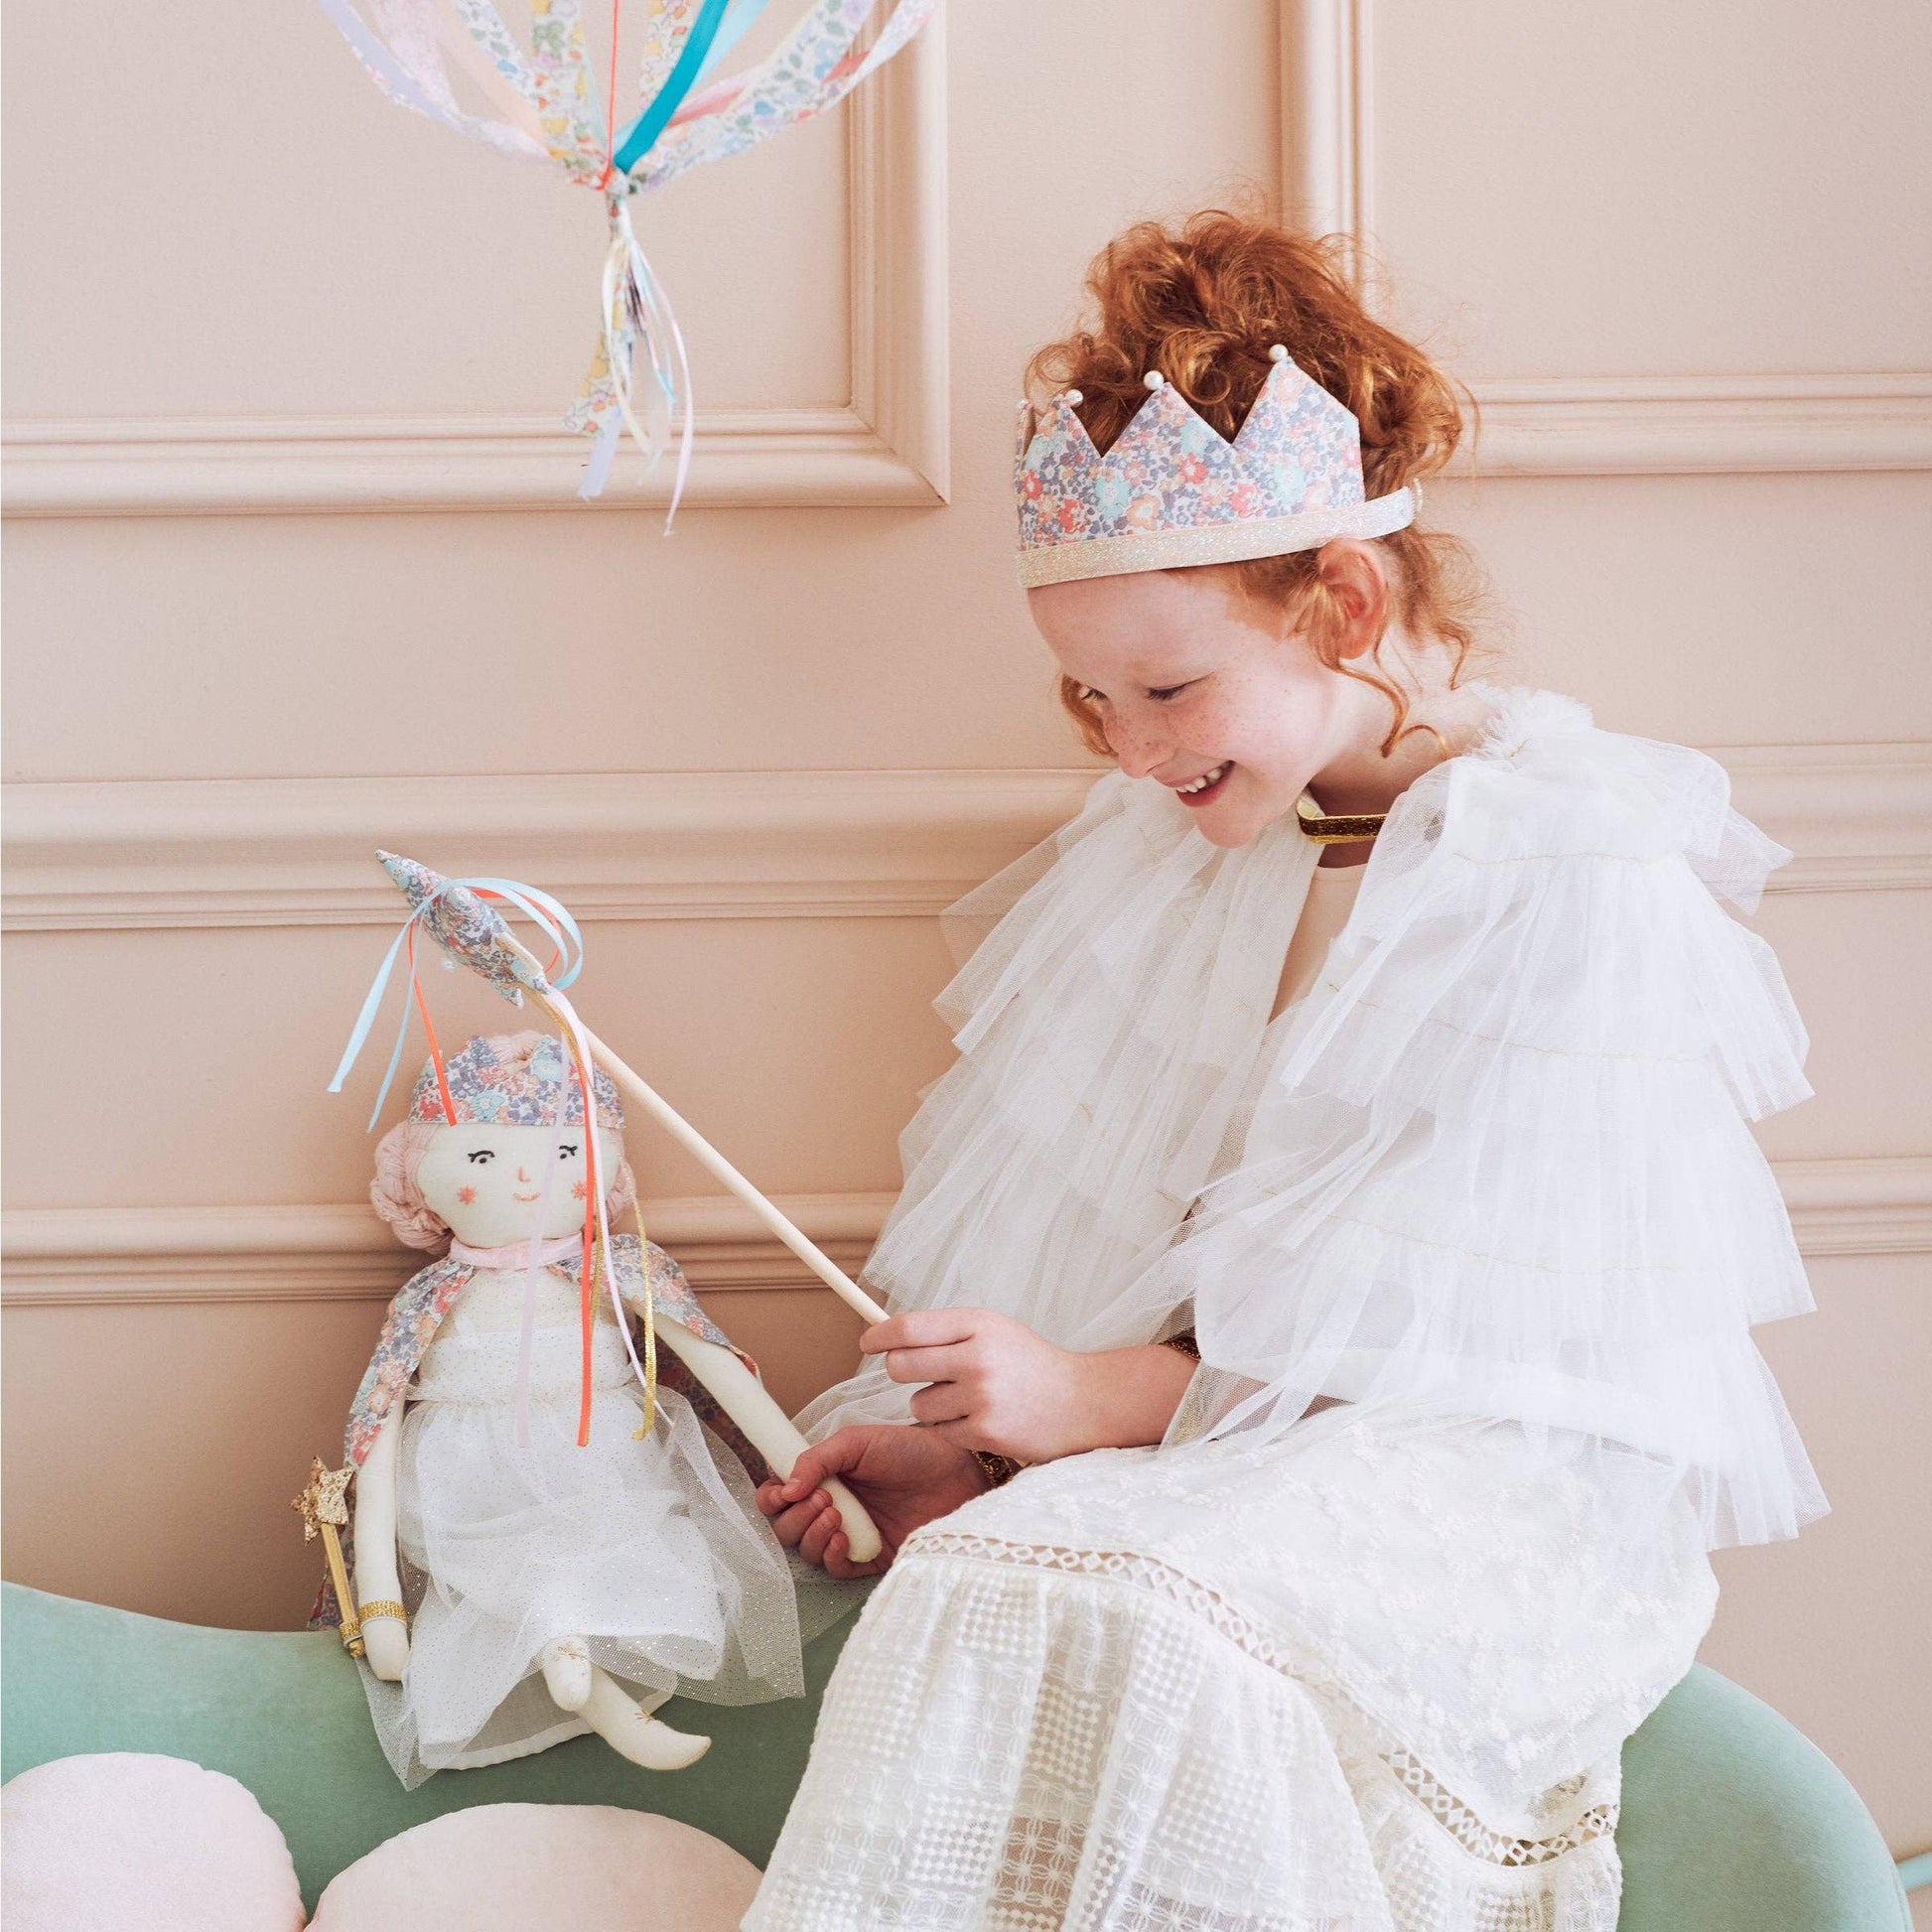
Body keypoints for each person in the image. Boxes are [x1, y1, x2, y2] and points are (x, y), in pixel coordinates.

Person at [746, 211, 1825, 1930]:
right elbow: (1169, 1279)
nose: (1134, 748)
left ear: (1340, 599)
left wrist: (1085, 1404)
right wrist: (990, 1447)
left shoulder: (1560, 868)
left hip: (1487, 1480)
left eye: (1168, 686)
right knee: (984, 1569)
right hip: (1240, 1452)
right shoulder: (1188, 848)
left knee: (1138, 1612)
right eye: (1088, 700)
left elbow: (1453, 1353)